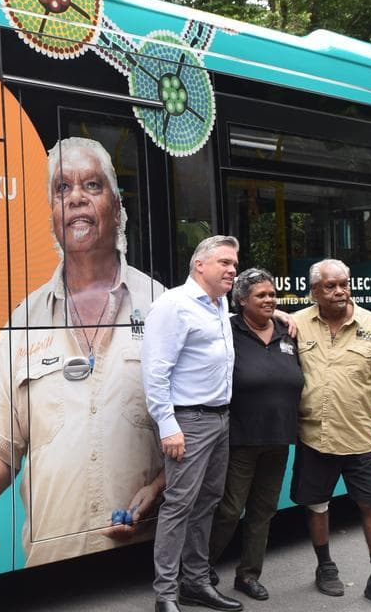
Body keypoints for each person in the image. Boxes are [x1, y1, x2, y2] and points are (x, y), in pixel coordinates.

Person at [0, 137, 167, 566]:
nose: (76, 198)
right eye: (62, 188)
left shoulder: (163, 308)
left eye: (92, 185)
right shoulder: (22, 324)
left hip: (148, 566)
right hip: (53, 576)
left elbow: (205, 436)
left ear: (117, 207)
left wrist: (162, 488)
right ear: (53, 214)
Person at [290, 259, 371, 611]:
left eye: (344, 284)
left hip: (360, 437)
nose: (340, 291)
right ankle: (325, 566)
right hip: (315, 435)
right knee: (317, 504)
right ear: (315, 291)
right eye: (331, 286)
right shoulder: (297, 323)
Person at [143, 235, 244, 612]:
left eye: (234, 264)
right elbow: (155, 371)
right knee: (179, 506)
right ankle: (166, 594)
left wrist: (281, 316)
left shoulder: (219, 305)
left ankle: (196, 583)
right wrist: (168, 425)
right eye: (225, 263)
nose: (232, 270)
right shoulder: (174, 305)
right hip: (188, 421)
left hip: (220, 418)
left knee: (207, 503)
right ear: (199, 265)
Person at [207, 268, 303, 602]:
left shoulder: (287, 331)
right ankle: (198, 569)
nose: (269, 300)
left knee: (264, 510)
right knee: (230, 510)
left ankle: (248, 575)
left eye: (272, 295)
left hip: (279, 437)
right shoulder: (227, 329)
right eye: (261, 295)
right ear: (242, 300)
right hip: (240, 438)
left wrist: (281, 314)